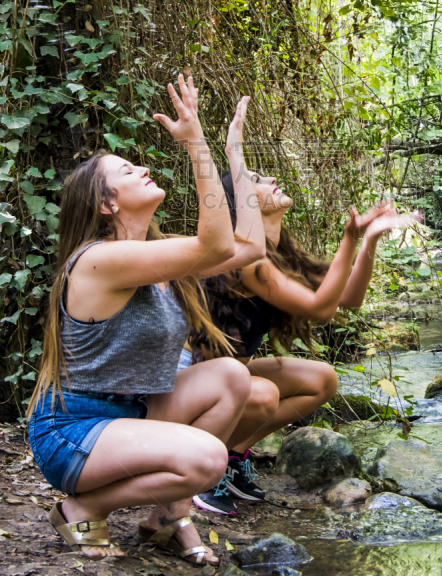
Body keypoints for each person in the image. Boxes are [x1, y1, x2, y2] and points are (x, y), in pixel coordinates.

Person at [27, 76, 266, 565]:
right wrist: (195, 145)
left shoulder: (150, 255)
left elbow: (249, 247)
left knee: (230, 377)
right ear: (105, 203)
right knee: (206, 459)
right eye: (127, 170)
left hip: (130, 413)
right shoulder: (98, 260)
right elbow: (217, 245)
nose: (143, 169)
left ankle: (163, 517)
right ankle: (84, 507)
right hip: (74, 431)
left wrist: (233, 156)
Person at [179, 169, 422, 515]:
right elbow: (321, 309)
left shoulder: (282, 252)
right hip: (192, 385)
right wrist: (349, 238)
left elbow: (349, 298)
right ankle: (204, 472)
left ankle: (232, 456)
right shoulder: (245, 257)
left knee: (321, 379)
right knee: (263, 394)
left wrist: (368, 241)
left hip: (229, 378)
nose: (271, 179)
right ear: (242, 203)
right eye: (257, 181)